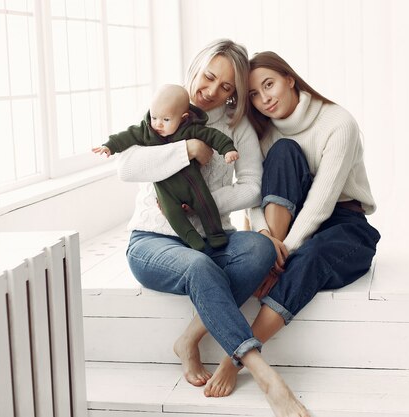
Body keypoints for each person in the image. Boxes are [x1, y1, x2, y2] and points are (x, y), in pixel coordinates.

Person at [116, 40, 309, 417]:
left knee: (261, 249)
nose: (211, 91)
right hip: (151, 243)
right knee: (200, 267)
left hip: (209, 238)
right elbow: (125, 167)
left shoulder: (235, 127)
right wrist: (184, 150)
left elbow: (252, 184)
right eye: (208, 77)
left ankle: (189, 338)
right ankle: (264, 375)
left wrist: (200, 208)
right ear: (196, 67)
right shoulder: (166, 106)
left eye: (226, 88)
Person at [206, 50, 381, 400]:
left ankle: (236, 355)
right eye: (253, 94)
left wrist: (276, 255)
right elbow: (256, 195)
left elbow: (322, 202)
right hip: (282, 228)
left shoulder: (338, 123)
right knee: (284, 151)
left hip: (343, 225)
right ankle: (273, 252)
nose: (263, 98)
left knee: (311, 256)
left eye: (268, 85)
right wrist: (264, 240)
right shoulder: (266, 133)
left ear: (290, 78)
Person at [93, 84, 239, 250]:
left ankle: (216, 235)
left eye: (166, 120)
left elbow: (214, 136)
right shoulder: (147, 130)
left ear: (183, 118)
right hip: (165, 190)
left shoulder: (191, 129)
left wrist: (228, 149)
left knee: (206, 205)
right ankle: (193, 240)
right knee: (173, 214)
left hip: (193, 184)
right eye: (154, 117)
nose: (158, 124)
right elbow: (126, 136)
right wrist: (110, 146)